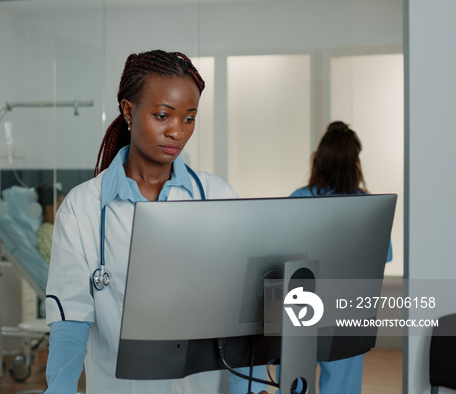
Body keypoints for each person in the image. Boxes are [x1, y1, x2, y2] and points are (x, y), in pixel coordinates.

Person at [43, 49, 270, 394]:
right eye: (163, 116)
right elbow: (71, 320)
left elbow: (240, 317)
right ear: (128, 110)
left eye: (189, 118)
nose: (177, 132)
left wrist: (250, 391)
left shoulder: (218, 197)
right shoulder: (82, 208)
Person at [289, 120, 393, 394]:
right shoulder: (368, 207)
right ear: (354, 164)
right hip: (349, 308)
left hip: (301, 307)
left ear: (317, 161)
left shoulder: (298, 199)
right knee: (343, 389)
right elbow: (381, 259)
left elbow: (281, 258)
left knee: (295, 384)